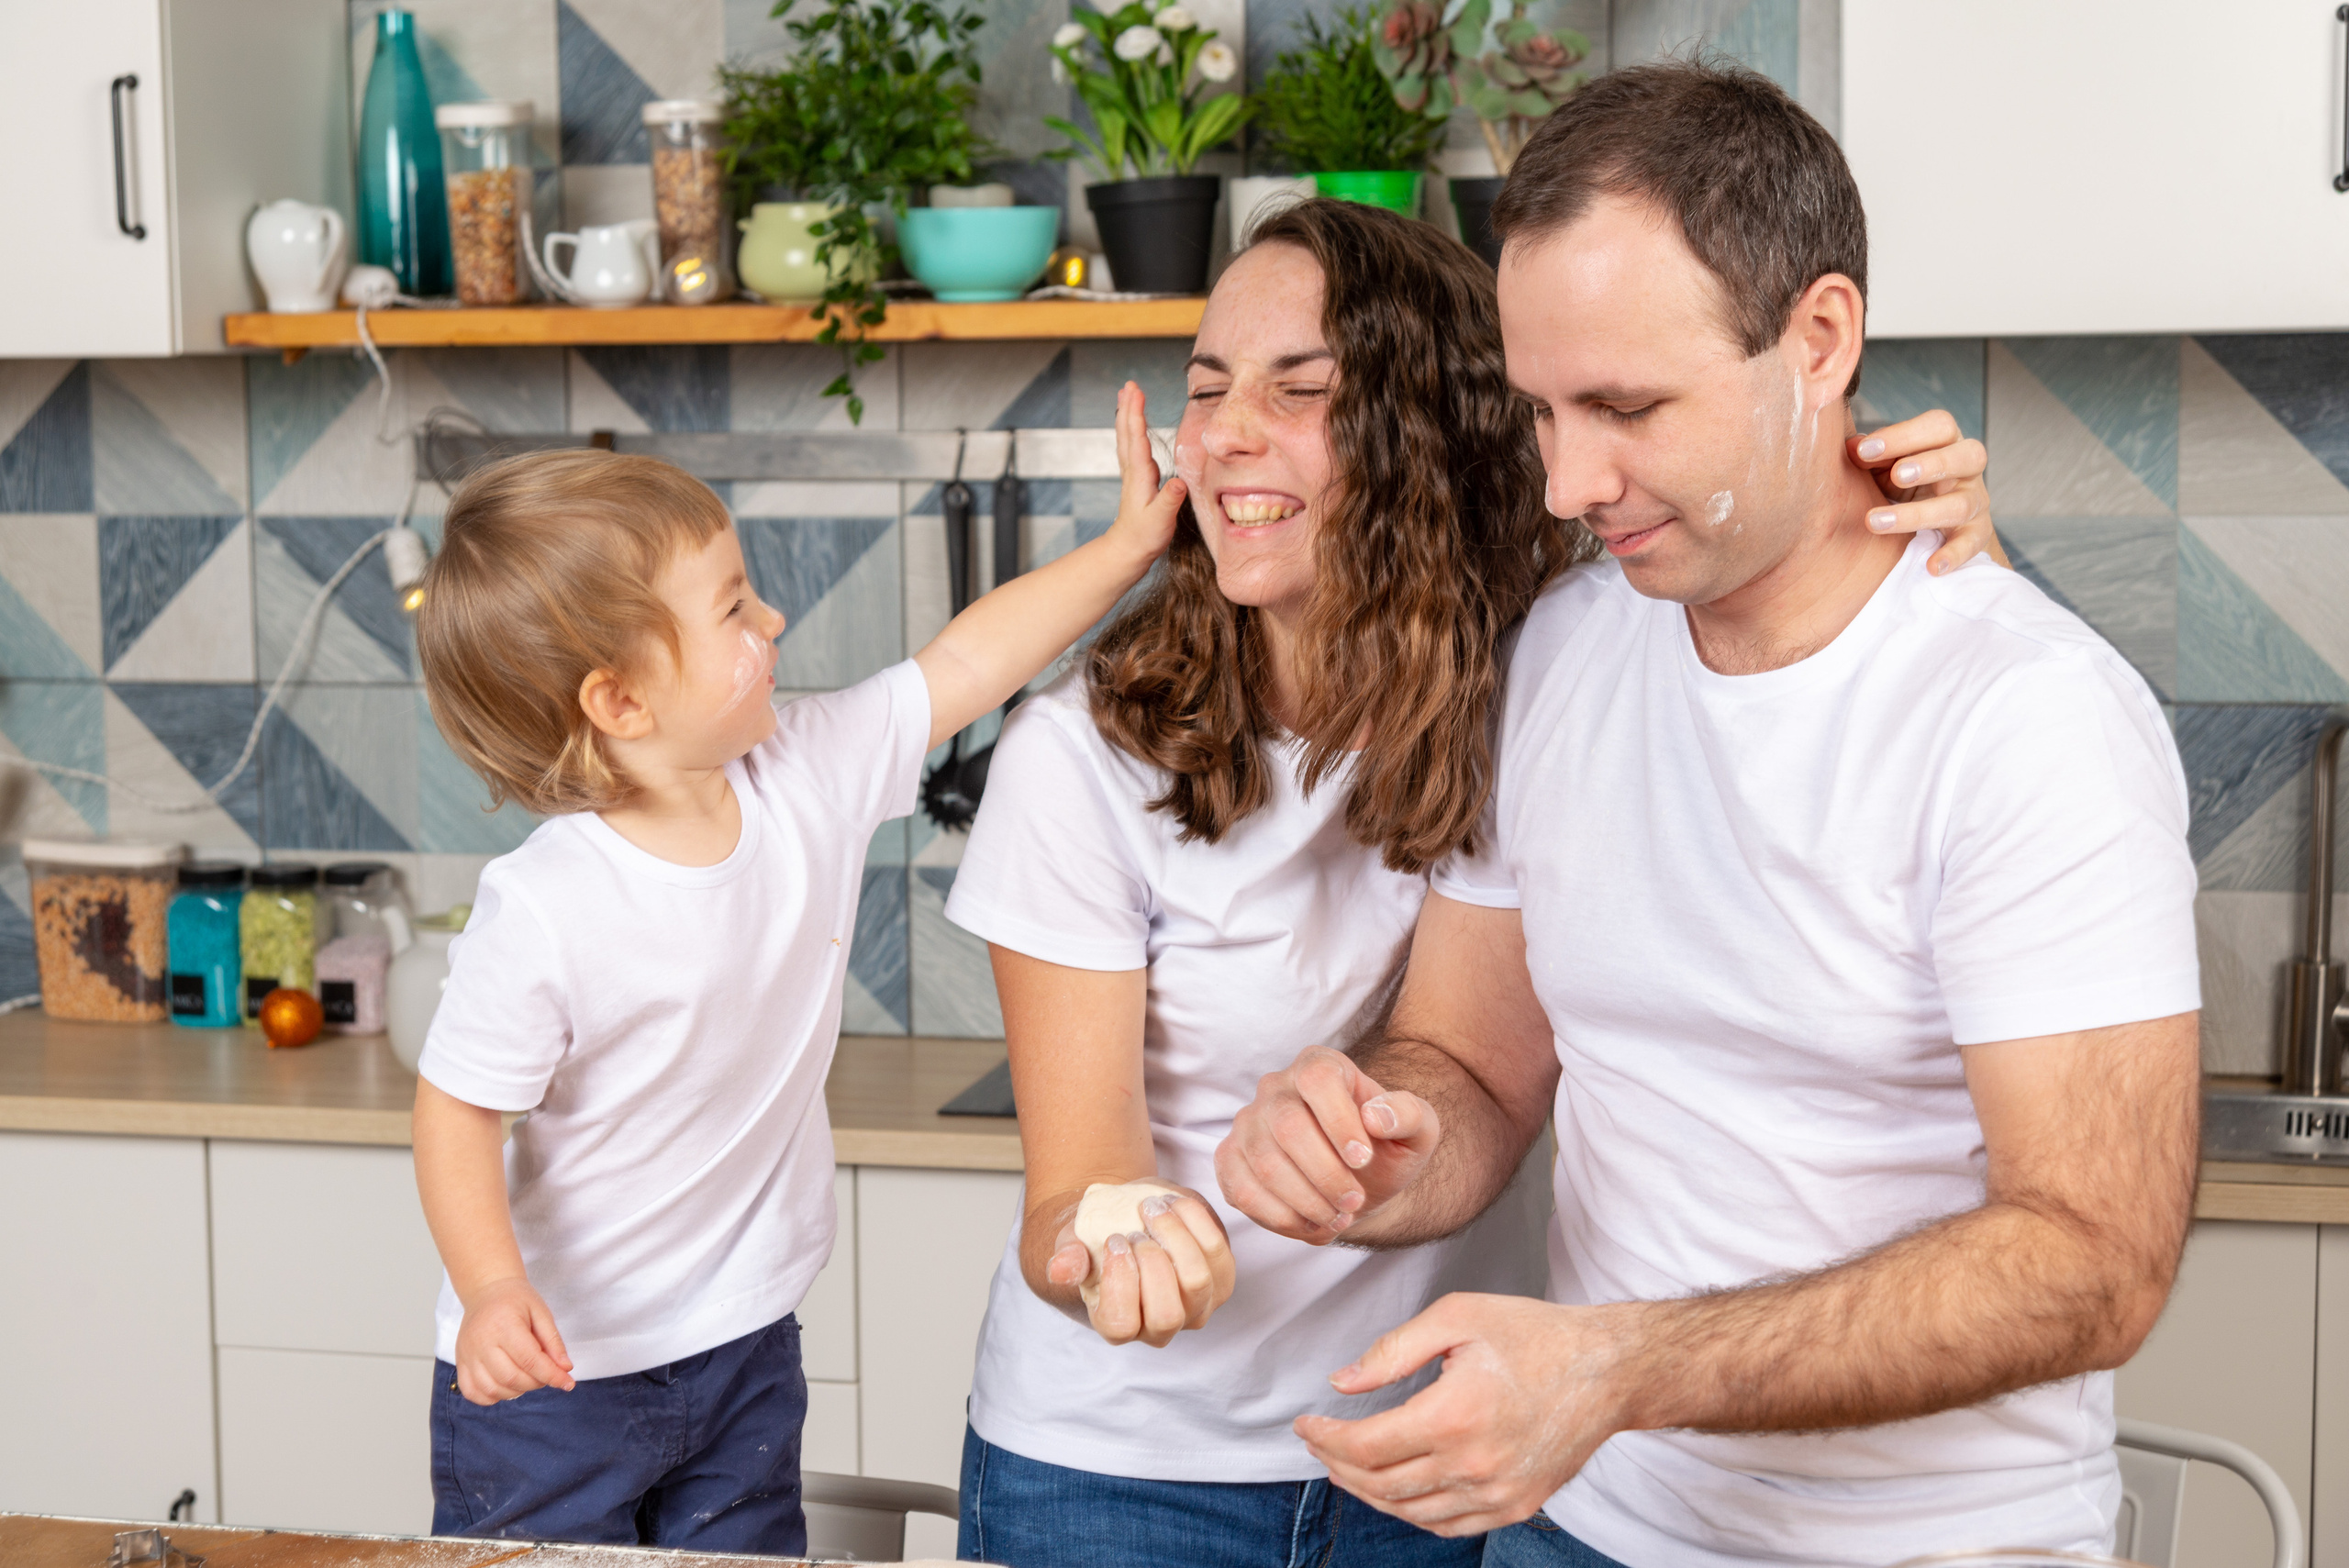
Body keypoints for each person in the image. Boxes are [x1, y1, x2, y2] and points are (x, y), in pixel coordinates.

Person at [1216, 64, 2203, 1568]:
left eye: (1624, 407)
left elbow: (2093, 1263)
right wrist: (1372, 1142)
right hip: (1584, 1530)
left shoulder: (2027, 715)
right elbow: (1474, 1061)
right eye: (1543, 409)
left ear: (1817, 339)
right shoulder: (1566, 651)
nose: (1565, 483)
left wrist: (1617, 1367)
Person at [942, 198, 2006, 1568]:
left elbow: (1812, 639)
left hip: (1446, 1457)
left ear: (1430, 429)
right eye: (1206, 391)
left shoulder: (1553, 683)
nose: (1222, 437)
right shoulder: (1078, 761)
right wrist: (1121, 1244)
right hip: (1124, 1476)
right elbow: (1074, 1192)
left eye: (1299, 390)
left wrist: (1945, 538)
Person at [403, 417, 1183, 1553]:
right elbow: (456, 1112)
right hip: (554, 1382)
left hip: (743, 1343)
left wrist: (1124, 550)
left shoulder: (803, 772)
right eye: (732, 609)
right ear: (620, 702)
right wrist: (487, 1288)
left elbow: (965, 665)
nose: (773, 620)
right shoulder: (547, 904)